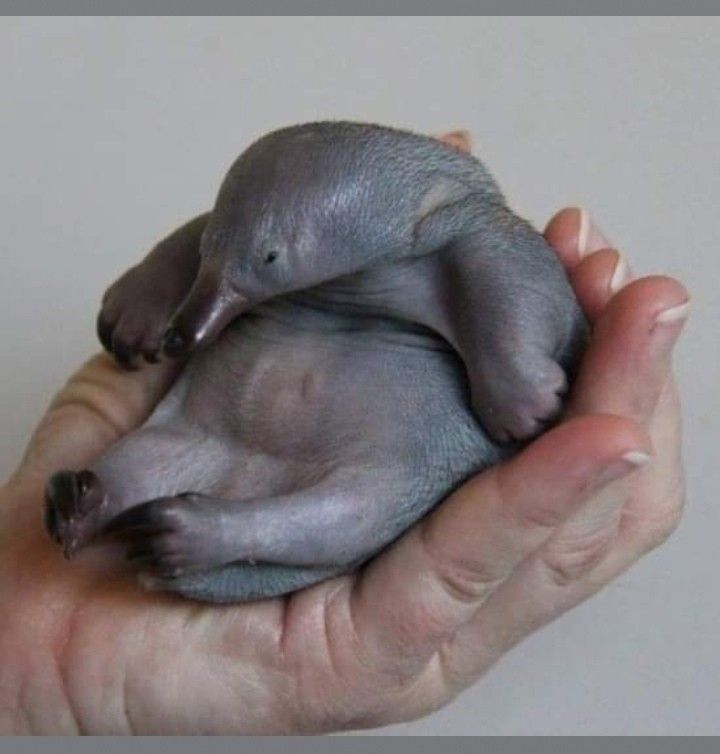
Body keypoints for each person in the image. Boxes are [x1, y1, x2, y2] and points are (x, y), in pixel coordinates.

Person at [0, 206, 687, 734]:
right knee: (178, 443)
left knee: (366, 498)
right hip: (226, 408)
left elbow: (516, 321)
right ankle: (106, 499)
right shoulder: (288, 217)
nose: (203, 315)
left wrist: (507, 369)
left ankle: (230, 532)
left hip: (383, 436)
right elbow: (227, 234)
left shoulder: (468, 231)